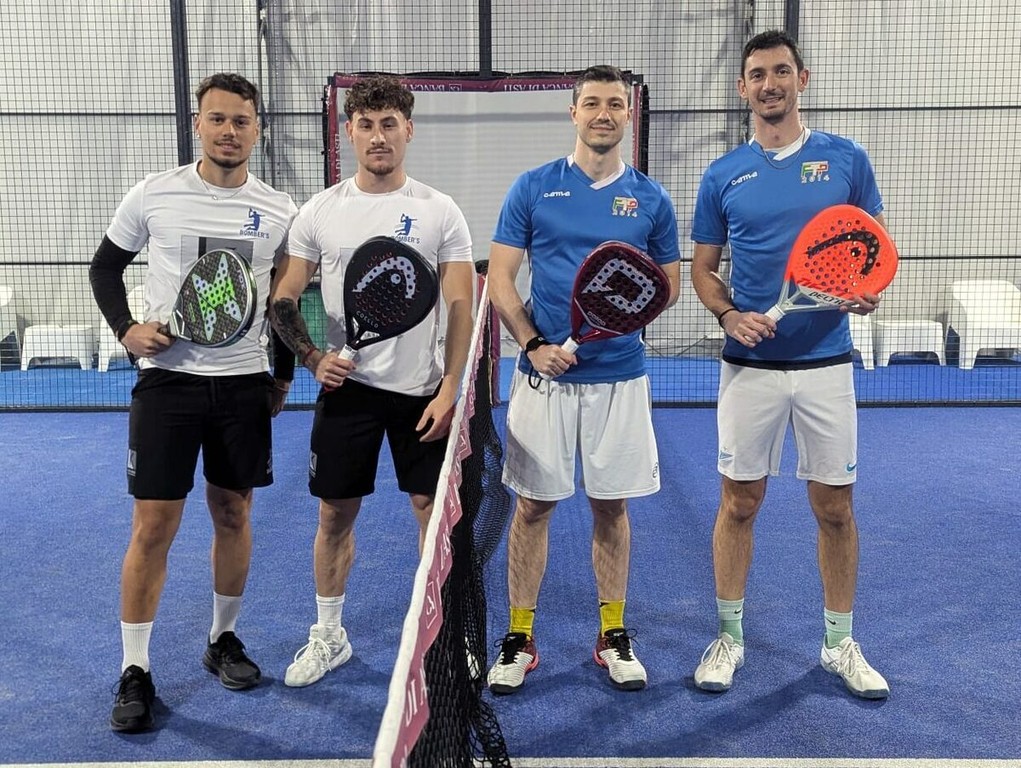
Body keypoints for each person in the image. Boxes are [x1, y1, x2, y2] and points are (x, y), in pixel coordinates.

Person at [90, 72, 298, 733]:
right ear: (197, 124)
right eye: (217, 118)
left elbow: (285, 301)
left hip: (242, 385)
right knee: (153, 527)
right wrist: (126, 330)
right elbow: (104, 267)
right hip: (168, 385)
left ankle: (222, 639)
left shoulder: (281, 210)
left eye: (241, 120)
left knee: (234, 513)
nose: (228, 130)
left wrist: (282, 376)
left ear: (257, 129)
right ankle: (135, 668)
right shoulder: (153, 193)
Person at [689, 29, 890, 699]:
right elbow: (703, 269)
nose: (768, 84)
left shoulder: (846, 159)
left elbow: (870, 248)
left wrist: (867, 293)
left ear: (801, 80)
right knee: (739, 502)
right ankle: (729, 637)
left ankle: (839, 644)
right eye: (756, 74)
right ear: (742, 88)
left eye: (780, 71)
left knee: (835, 508)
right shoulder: (722, 175)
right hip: (748, 367)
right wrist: (727, 314)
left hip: (827, 364)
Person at [268, 75, 475, 688]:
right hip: (346, 392)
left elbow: (460, 305)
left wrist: (450, 387)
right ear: (349, 132)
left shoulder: (440, 211)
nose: (378, 136)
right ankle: (329, 634)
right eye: (366, 124)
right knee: (335, 514)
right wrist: (312, 357)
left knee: (431, 513)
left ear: (408, 130)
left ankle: (444, 634)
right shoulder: (319, 212)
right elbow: (283, 298)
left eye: (389, 124)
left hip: (422, 392)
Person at [484, 65, 681, 694]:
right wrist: (533, 344)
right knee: (533, 506)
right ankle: (519, 637)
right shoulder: (533, 187)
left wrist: (613, 320)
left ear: (629, 114)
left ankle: (613, 633)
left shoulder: (652, 200)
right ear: (573, 112)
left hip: (618, 379)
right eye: (592, 103)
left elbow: (668, 287)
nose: (603, 114)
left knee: (611, 506)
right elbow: (500, 279)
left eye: (615, 104)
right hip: (542, 377)